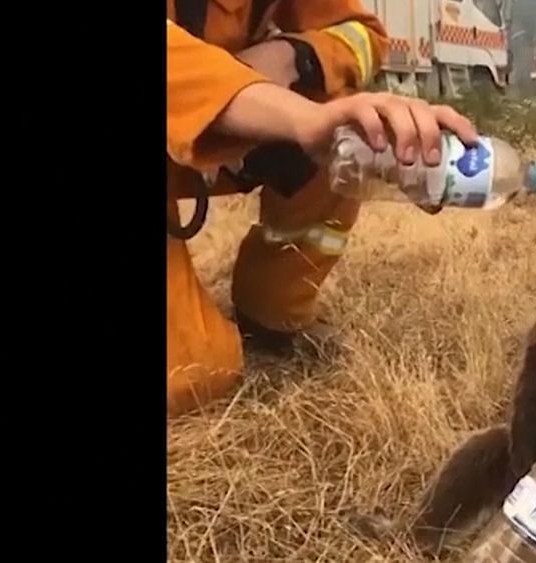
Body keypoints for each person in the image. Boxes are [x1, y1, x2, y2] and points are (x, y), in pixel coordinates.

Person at [167, 2, 479, 416]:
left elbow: (363, 33)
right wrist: (301, 117)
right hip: (209, 106)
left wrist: (294, 57)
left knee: (351, 131)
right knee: (193, 375)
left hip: (216, 129)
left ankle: (272, 312)